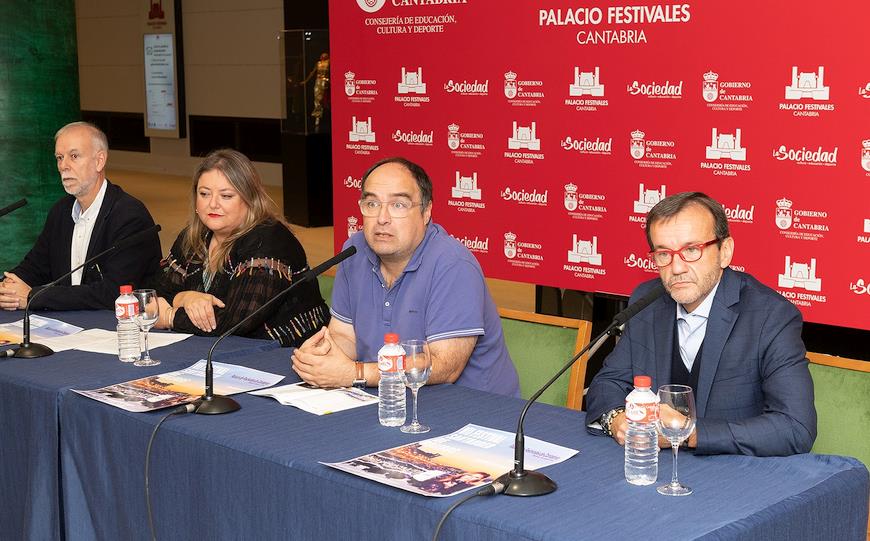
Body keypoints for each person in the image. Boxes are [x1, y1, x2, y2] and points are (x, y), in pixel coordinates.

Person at [586, 192, 816, 456]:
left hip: (735, 477)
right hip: (655, 469)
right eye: (663, 254)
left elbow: (795, 427)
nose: (677, 268)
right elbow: (608, 383)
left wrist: (688, 433)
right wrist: (618, 420)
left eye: (691, 250)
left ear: (725, 252)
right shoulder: (647, 302)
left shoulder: (770, 316)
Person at [291, 157, 520, 396]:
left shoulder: (454, 265)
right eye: (372, 204)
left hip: (472, 410)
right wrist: (324, 356)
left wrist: (356, 373)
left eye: (398, 205)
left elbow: (444, 366)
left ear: (426, 211)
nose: (382, 218)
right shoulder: (354, 251)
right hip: (389, 396)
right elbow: (344, 336)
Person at [150, 149, 327, 346]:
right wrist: (185, 297)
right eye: (204, 194)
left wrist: (169, 317)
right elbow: (156, 295)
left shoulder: (268, 240)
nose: (213, 204)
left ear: (249, 199)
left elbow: (236, 321)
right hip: (215, 350)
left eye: (226, 196)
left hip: (288, 354)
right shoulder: (194, 236)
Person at [0, 121, 161, 311]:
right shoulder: (61, 211)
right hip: (68, 325)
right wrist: (8, 287)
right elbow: (36, 266)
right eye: (59, 157)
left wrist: (33, 296)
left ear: (99, 161)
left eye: (74, 156)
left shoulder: (130, 216)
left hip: (116, 328)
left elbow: (112, 293)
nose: (63, 166)